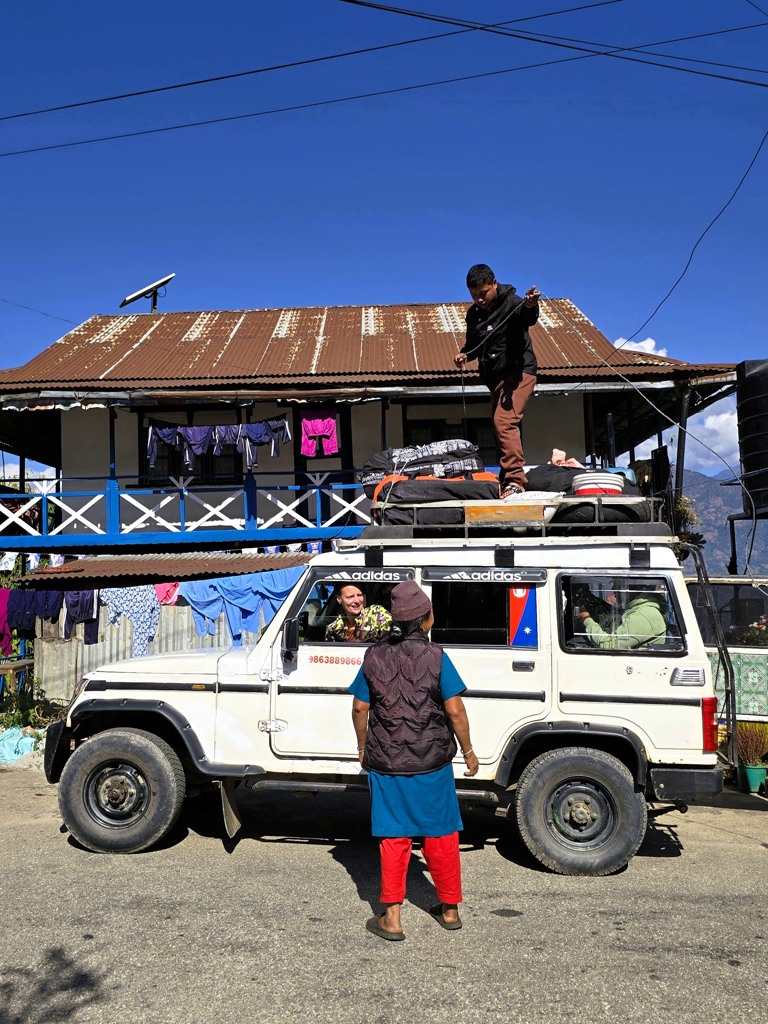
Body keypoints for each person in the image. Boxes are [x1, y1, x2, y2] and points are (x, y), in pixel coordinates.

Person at [349, 580, 479, 941]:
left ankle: (392, 919)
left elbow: (360, 708)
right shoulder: (437, 656)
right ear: (427, 618)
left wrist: (363, 747)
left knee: (394, 835)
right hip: (433, 764)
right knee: (441, 833)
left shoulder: (374, 655)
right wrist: (468, 751)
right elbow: (455, 710)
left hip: (388, 764)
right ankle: (449, 910)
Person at [453, 264, 541, 500]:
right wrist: (465, 355)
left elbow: (528, 316)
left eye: (483, 293)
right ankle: (505, 479)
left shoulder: (512, 302)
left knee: (504, 421)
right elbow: (474, 344)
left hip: (519, 372)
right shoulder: (473, 314)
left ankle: (515, 480)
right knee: (498, 426)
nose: (479, 299)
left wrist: (531, 304)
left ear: (494, 283)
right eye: (474, 295)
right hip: (496, 379)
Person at [578, 583, 667, 649]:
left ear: (635, 588)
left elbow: (610, 645)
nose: (614, 589)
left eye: (620, 585)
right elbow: (615, 613)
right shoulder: (640, 609)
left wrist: (586, 619)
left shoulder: (643, 615)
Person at [324, 584, 392, 642]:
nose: (357, 601)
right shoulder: (333, 628)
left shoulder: (376, 613)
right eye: (350, 597)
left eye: (359, 595)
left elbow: (392, 636)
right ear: (339, 599)